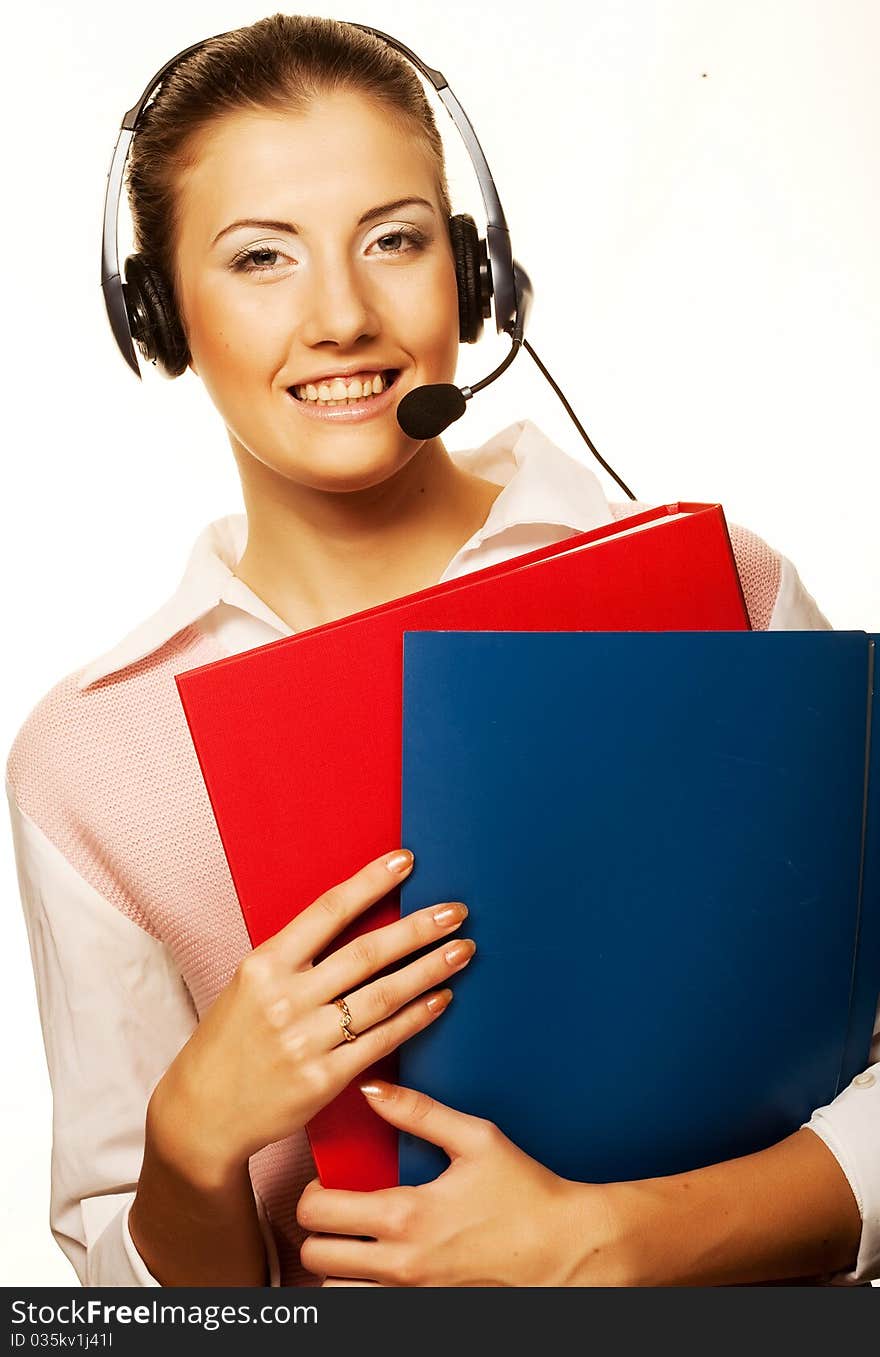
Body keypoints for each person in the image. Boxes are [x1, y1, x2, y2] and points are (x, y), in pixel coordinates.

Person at [5, 14, 877, 1289]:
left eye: (396, 240)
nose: (344, 315)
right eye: (260, 259)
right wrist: (188, 1145)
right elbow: (150, 1316)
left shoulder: (718, 584)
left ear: (472, 273)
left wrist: (615, 1243)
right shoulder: (93, 760)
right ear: (160, 312)